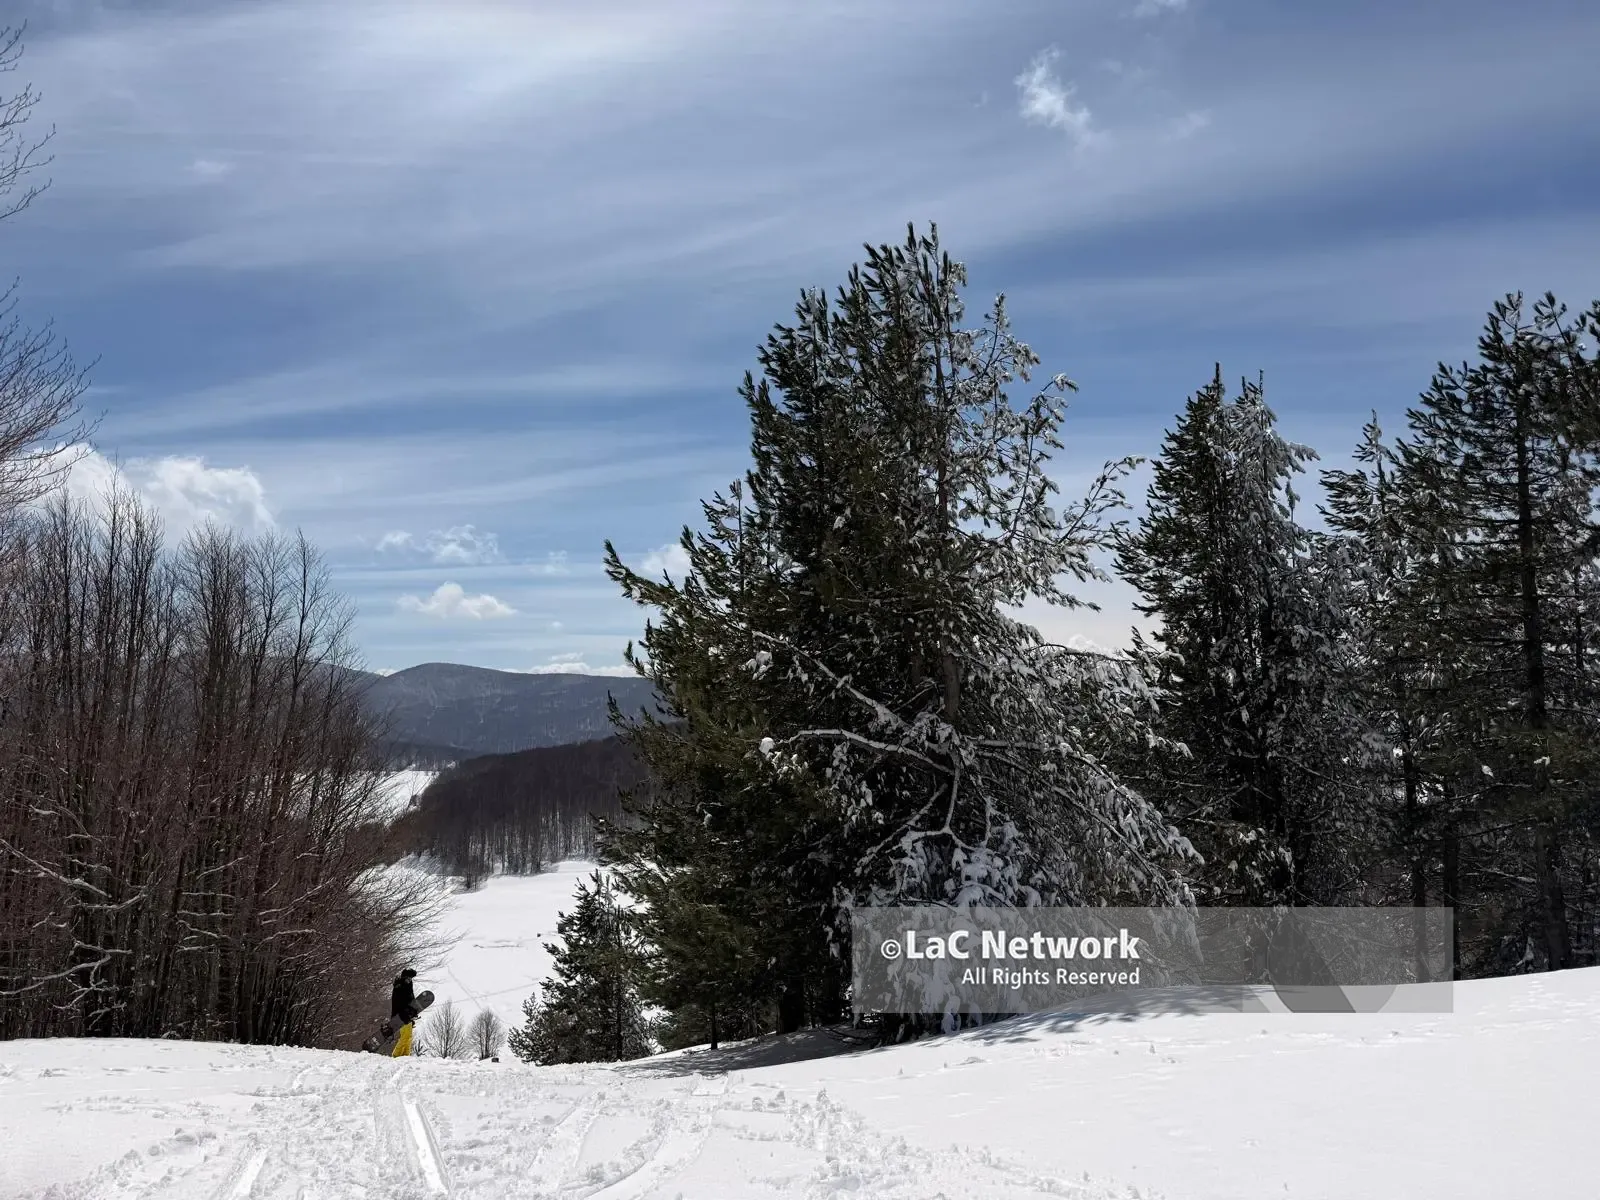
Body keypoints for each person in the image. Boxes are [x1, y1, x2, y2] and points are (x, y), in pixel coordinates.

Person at [389, 967, 420, 1057]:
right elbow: (398, 1003)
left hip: (407, 1014)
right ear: (404, 977)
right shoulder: (400, 986)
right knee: (405, 1036)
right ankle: (396, 1055)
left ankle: (406, 1056)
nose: (410, 980)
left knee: (409, 1036)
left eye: (411, 978)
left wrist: (413, 1013)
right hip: (400, 1015)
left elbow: (411, 1000)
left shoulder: (408, 985)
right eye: (408, 978)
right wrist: (406, 1013)